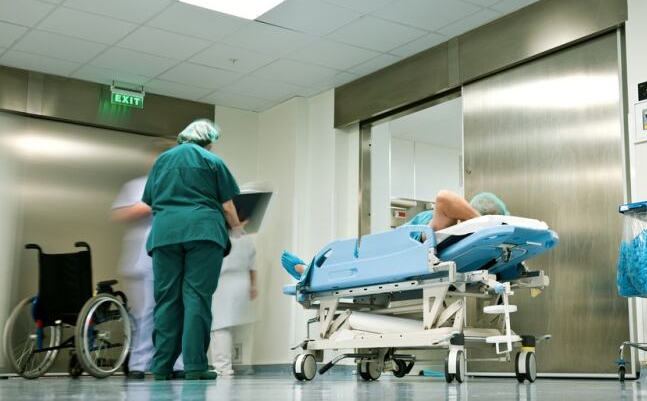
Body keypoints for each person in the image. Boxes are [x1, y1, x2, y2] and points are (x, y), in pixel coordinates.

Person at [142, 119, 243, 381]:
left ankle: (161, 366)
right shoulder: (213, 161)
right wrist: (237, 228)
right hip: (203, 232)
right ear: (208, 141)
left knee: (166, 300)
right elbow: (228, 206)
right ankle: (195, 366)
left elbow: (150, 200)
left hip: (165, 235)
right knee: (197, 297)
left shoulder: (161, 162)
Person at [281, 190, 509, 279]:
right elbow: (444, 198)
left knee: (362, 257)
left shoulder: (475, 241)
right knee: (359, 256)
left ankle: (308, 271)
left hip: (409, 246)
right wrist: (482, 222)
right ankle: (308, 271)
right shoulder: (450, 222)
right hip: (403, 240)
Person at [111, 141, 184, 379]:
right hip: (143, 259)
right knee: (146, 313)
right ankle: (139, 365)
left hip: (174, 255)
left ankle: (176, 364)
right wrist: (149, 205)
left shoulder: (183, 186)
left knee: (177, 310)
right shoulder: (136, 186)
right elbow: (120, 214)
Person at [209, 233, 258, 376]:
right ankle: (228, 365)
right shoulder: (247, 240)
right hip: (242, 283)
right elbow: (252, 266)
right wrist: (253, 286)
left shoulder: (218, 235)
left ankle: (223, 367)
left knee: (219, 326)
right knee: (228, 327)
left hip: (221, 282)